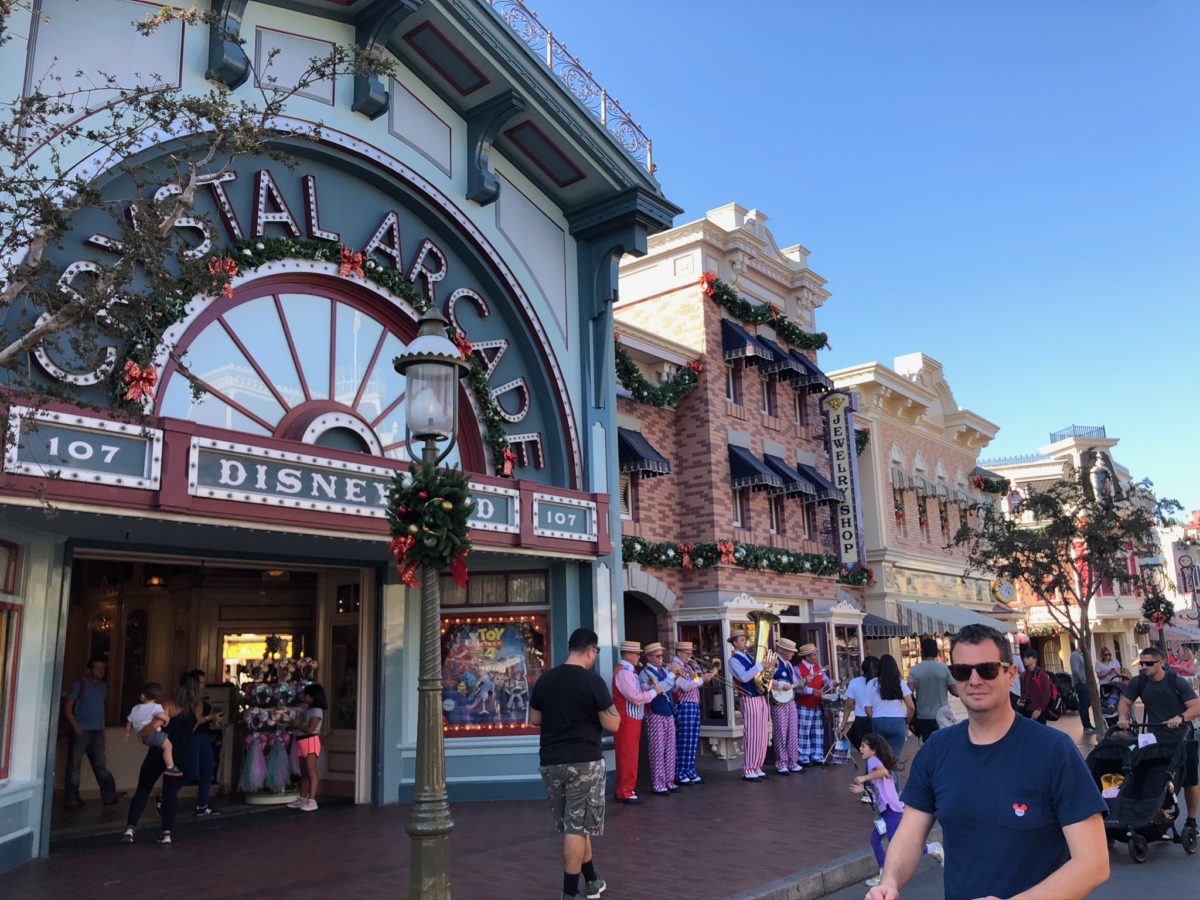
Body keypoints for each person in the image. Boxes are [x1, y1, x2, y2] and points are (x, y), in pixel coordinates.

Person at [867, 623, 1109, 900]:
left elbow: (1093, 864)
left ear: (1010, 674)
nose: (974, 680)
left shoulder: (1054, 751)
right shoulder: (937, 749)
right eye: (962, 671)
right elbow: (910, 835)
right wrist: (890, 881)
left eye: (987, 669)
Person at [529, 627, 620, 900]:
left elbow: (535, 719)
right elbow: (613, 723)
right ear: (591, 651)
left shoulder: (545, 681)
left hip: (551, 762)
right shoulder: (592, 682)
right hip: (584, 761)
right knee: (577, 828)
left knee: (577, 824)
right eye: (595, 653)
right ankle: (569, 894)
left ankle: (592, 879)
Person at [1117, 646, 1200, 833]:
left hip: (1183, 738)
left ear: (1161, 662)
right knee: (1154, 777)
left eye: (1149, 663)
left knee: (1190, 782)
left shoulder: (1176, 682)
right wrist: (1122, 717)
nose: (1144, 667)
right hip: (1156, 738)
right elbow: (1124, 702)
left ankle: (1192, 821)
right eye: (1142, 663)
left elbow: (1196, 706)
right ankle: (1157, 814)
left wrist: (1181, 718)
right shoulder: (1139, 682)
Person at [850, 732, 943, 888]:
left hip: (892, 811)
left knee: (897, 844)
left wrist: (863, 778)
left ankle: (933, 848)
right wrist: (863, 790)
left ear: (873, 750)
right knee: (875, 840)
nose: (860, 749)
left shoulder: (873, 761)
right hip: (887, 812)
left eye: (863, 746)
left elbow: (883, 772)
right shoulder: (875, 761)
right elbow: (880, 787)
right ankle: (882, 873)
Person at [122, 672, 200, 845]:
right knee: (170, 793)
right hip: (179, 755)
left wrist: (141, 735)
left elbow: (153, 727)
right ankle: (166, 832)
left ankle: (130, 828)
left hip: (158, 753)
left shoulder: (168, 706)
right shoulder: (195, 710)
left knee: (143, 789)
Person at [62, 658, 122, 809]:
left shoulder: (103, 687)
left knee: (100, 765)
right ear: (89, 670)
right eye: (97, 668)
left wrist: (103, 730)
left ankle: (108, 794)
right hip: (81, 731)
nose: (101, 672)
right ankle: (72, 798)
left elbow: (101, 709)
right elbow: (67, 708)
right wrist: (76, 728)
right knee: (75, 765)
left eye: (103, 669)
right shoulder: (80, 685)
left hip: (96, 731)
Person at [611, 639, 661, 804]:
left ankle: (626, 789)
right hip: (627, 718)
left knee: (630, 755)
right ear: (628, 654)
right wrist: (653, 692)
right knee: (627, 755)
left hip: (633, 717)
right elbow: (634, 697)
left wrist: (647, 687)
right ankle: (625, 790)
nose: (638, 657)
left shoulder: (629, 671)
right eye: (636, 654)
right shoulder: (624, 673)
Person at [637, 642, 678, 796]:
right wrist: (673, 675)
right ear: (649, 657)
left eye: (662, 655)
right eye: (658, 656)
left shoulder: (664, 671)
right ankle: (658, 783)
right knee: (658, 749)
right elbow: (659, 688)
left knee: (670, 748)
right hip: (655, 713)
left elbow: (672, 688)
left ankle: (669, 781)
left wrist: (676, 676)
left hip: (668, 712)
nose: (661, 659)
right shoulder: (645, 673)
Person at [670, 641, 714, 785]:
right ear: (679, 652)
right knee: (684, 740)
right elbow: (684, 686)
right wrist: (701, 679)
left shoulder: (687, 666)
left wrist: (699, 674)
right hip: (684, 705)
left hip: (694, 705)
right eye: (687, 653)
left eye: (691, 653)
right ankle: (680, 771)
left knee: (692, 740)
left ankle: (689, 769)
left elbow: (695, 681)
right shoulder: (675, 666)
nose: (690, 656)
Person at [728, 628, 769, 780]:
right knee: (752, 734)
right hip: (748, 697)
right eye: (742, 640)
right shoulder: (733, 660)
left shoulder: (750, 657)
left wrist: (769, 667)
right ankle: (748, 768)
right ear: (734, 643)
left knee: (762, 734)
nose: (745, 642)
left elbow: (760, 675)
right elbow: (744, 677)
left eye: (745, 639)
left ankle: (757, 766)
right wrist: (760, 666)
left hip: (759, 696)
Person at [124, 683, 183, 776]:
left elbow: (129, 721)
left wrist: (128, 733)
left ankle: (169, 766)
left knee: (161, 747)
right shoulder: (156, 707)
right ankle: (170, 766)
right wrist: (167, 719)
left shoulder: (135, 708)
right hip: (153, 734)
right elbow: (160, 715)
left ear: (143, 696)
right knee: (168, 746)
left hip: (143, 736)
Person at [864, 654, 913, 764]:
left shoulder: (872, 683)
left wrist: (875, 719)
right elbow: (911, 706)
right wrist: (907, 722)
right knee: (893, 760)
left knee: (877, 758)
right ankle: (893, 781)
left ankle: (873, 780)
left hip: (879, 721)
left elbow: (867, 708)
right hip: (897, 721)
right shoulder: (899, 683)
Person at [906, 638, 958, 743]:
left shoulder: (914, 670)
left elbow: (908, 693)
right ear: (936, 651)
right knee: (943, 744)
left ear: (922, 652)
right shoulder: (944, 669)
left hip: (923, 716)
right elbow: (955, 691)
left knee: (928, 745)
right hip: (942, 715)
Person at [289, 683, 326, 812]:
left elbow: (311, 729)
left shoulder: (316, 711)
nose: (304, 697)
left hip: (310, 740)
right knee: (303, 772)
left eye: (307, 695)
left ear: (312, 697)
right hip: (302, 741)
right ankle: (303, 797)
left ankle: (312, 800)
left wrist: (297, 725)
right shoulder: (308, 710)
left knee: (311, 772)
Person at [769, 638, 803, 775]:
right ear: (782, 650)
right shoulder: (774, 662)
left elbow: (794, 683)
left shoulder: (788, 665)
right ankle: (781, 762)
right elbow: (765, 680)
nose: (792, 654)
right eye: (790, 651)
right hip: (777, 701)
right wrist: (780, 685)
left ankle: (792, 761)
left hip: (790, 700)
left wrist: (804, 682)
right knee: (781, 732)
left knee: (792, 731)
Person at [794, 642, 826, 766]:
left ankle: (817, 755)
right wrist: (811, 690)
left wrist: (831, 684)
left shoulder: (818, 667)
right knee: (803, 731)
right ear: (807, 657)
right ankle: (803, 757)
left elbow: (825, 680)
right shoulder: (797, 669)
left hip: (817, 703)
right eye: (814, 655)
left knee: (817, 731)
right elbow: (796, 688)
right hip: (804, 704)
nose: (816, 657)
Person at [839, 655, 879, 751]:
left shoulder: (854, 682)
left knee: (865, 752)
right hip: (878, 719)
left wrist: (843, 724)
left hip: (861, 722)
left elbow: (849, 705)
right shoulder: (880, 683)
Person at [1018, 646, 1054, 724]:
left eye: (1027, 657)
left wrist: (1040, 709)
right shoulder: (1024, 675)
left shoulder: (1041, 674)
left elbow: (1046, 694)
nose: (1025, 659)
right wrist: (1021, 700)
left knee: (1040, 734)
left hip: (1038, 712)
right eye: (1024, 657)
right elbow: (1023, 691)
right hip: (1026, 710)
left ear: (1034, 659)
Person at [1070, 644, 1095, 734]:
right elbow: (1075, 670)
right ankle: (1086, 726)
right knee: (1084, 704)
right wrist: (1081, 679)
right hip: (1080, 683)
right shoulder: (1075, 656)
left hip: (1084, 682)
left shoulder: (1080, 656)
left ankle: (1088, 724)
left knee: (1087, 703)